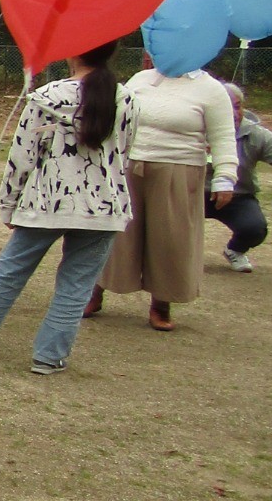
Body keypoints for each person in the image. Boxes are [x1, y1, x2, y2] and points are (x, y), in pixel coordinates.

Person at [0, 41, 133, 374]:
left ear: (74, 50)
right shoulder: (127, 99)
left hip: (47, 200)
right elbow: (124, 152)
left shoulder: (46, 97)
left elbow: (22, 155)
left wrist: (9, 205)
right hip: (103, 206)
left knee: (10, 272)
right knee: (77, 285)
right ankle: (50, 356)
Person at [91, 56, 236, 330]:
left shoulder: (210, 88)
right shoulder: (142, 80)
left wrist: (225, 178)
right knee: (118, 234)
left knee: (169, 237)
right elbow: (119, 119)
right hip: (131, 165)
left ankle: (161, 303)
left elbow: (224, 136)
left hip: (179, 170)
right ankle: (96, 291)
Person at [211, 83, 270, 272]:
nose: (235, 114)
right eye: (227, 108)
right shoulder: (193, 131)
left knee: (254, 228)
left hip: (237, 196)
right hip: (194, 194)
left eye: (237, 106)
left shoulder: (256, 134)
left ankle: (235, 250)